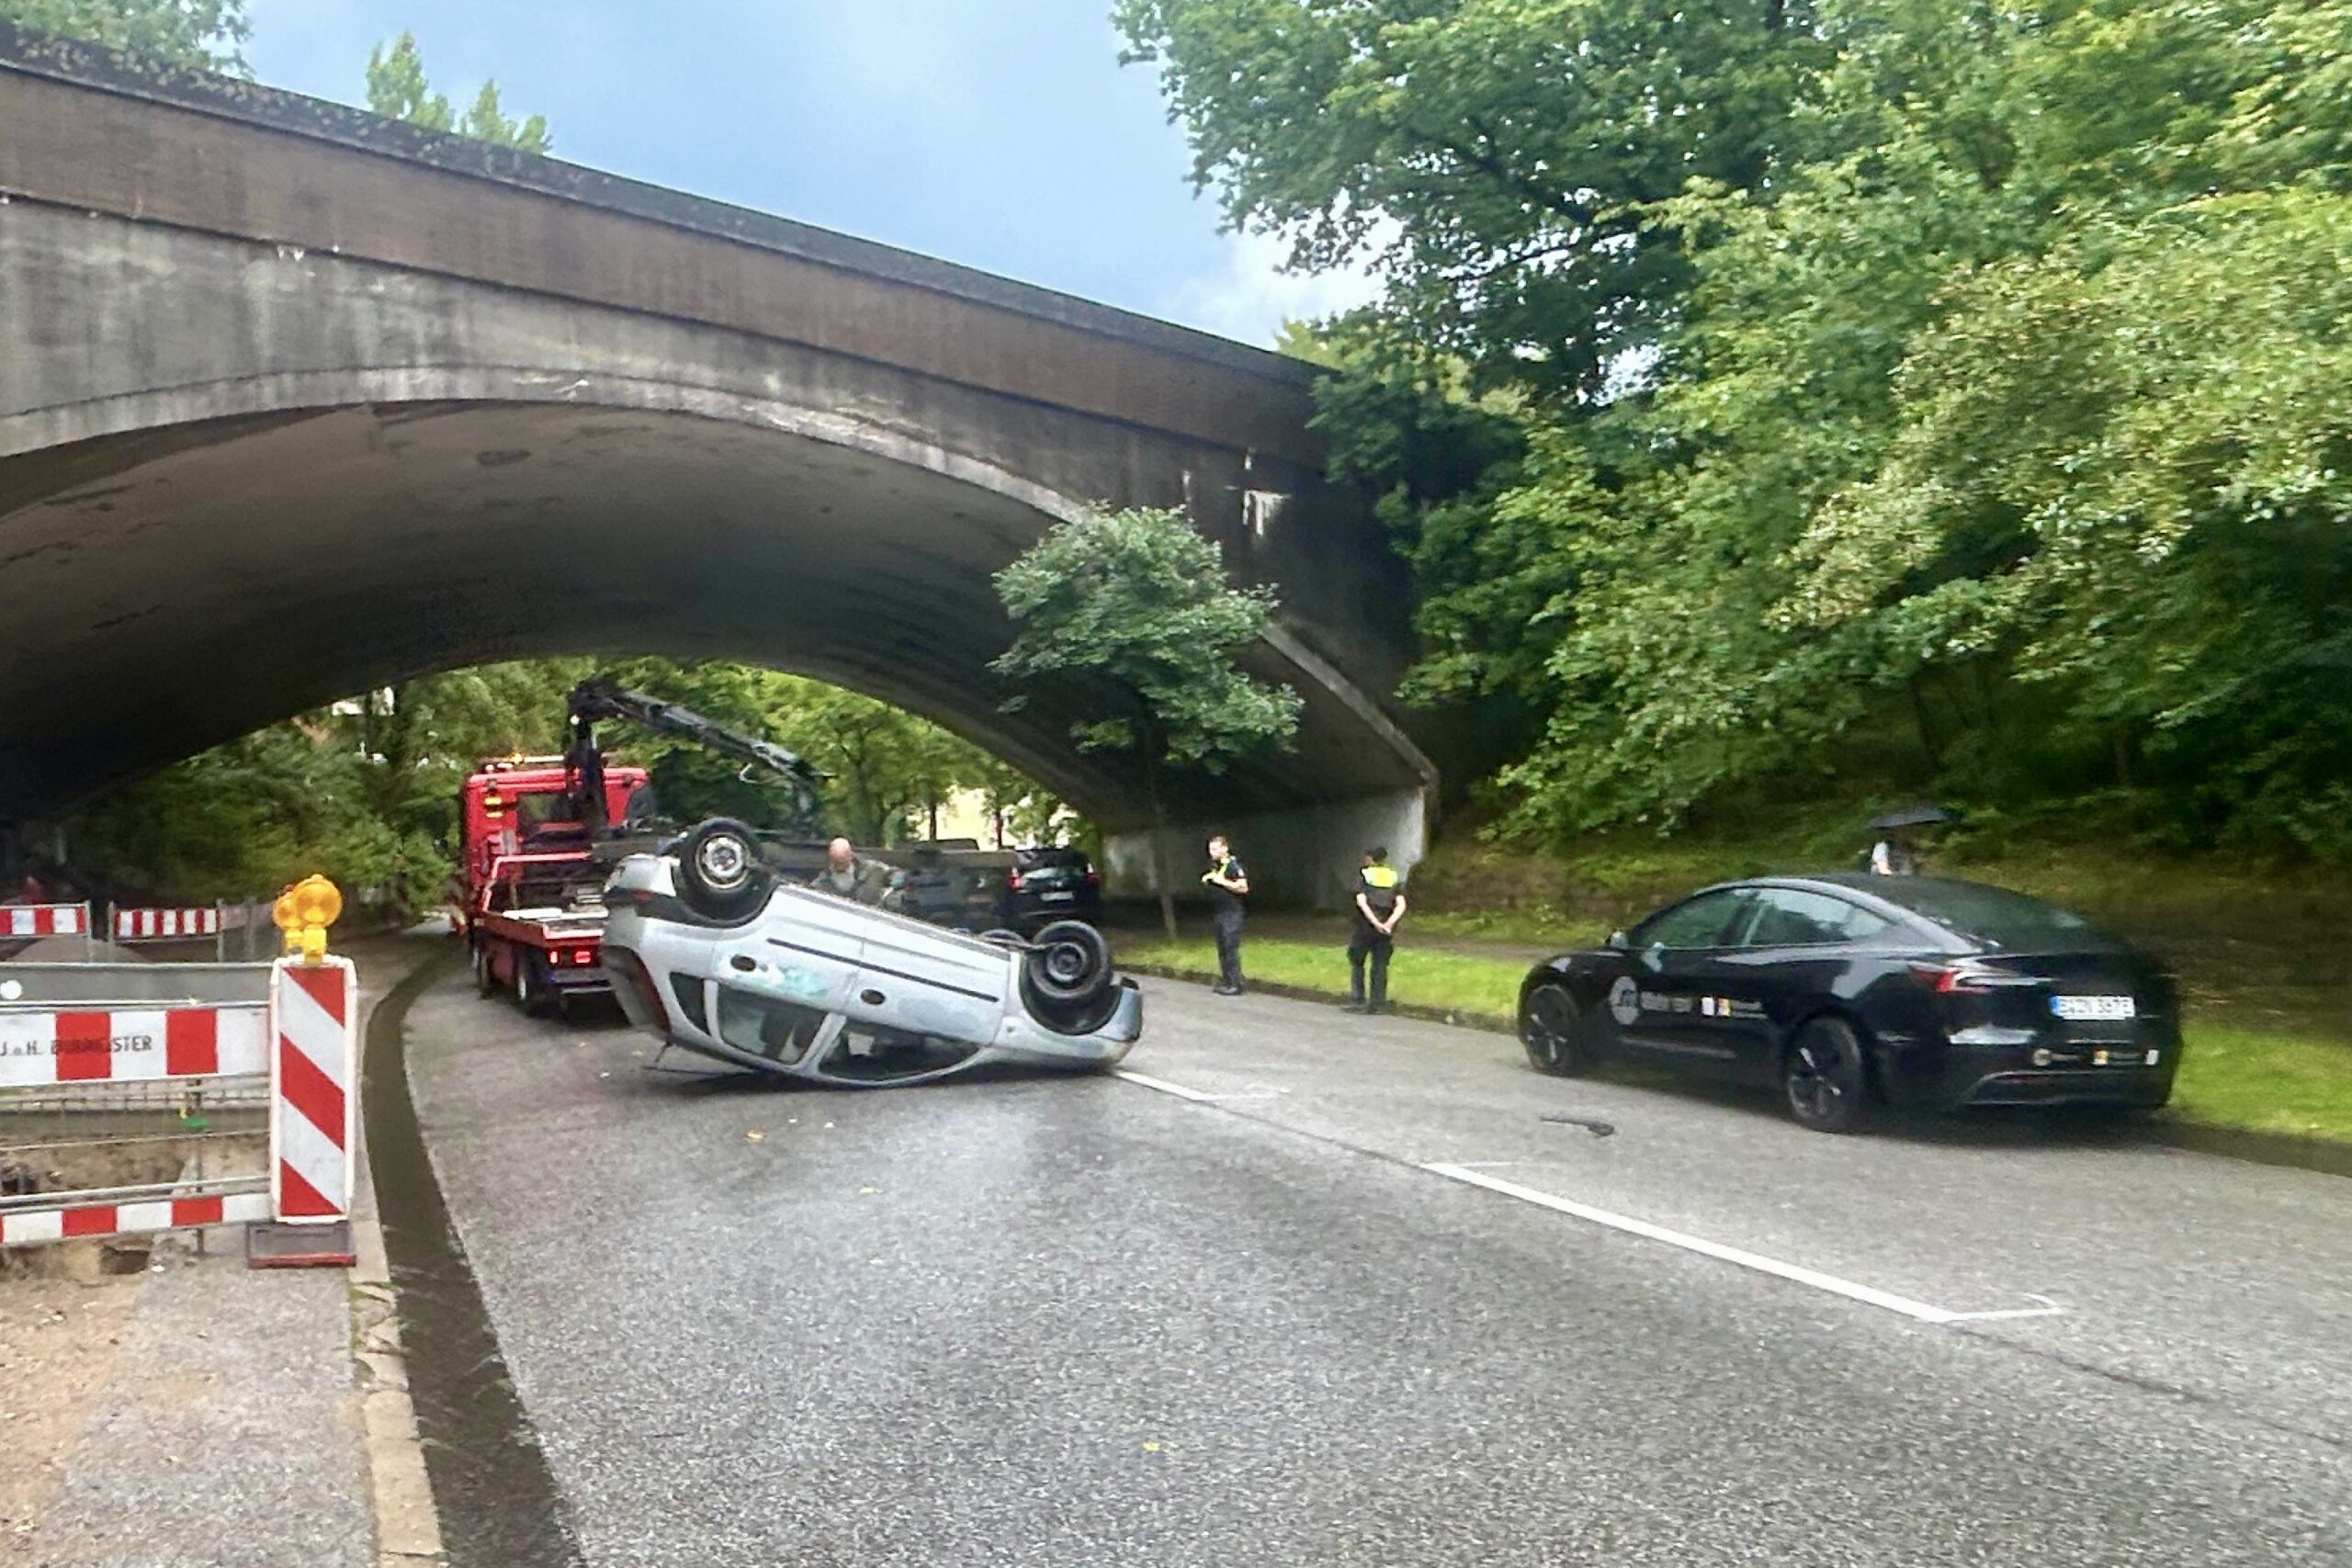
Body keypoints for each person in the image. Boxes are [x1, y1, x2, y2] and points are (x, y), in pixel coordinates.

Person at [1343, 847, 1406, 1014]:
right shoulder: (1393, 876)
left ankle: (1358, 1000)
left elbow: (1362, 902)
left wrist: (1375, 922)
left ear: (1370, 859)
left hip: (1364, 927)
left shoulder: (1364, 875)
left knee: (1357, 961)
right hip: (1386, 929)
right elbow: (1401, 904)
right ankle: (1378, 1003)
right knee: (1380, 965)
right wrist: (1388, 924)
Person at [1201, 834, 1249, 996]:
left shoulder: (1233, 865)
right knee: (1222, 948)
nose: (1211, 852)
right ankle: (1228, 981)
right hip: (1220, 912)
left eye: (1215, 849)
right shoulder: (1217, 866)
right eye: (1210, 849)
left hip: (1232, 913)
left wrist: (1222, 882)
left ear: (1225, 848)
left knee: (1230, 947)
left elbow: (1243, 887)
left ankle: (1235, 985)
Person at [808, 837, 894, 907]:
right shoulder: (822, 883)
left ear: (851, 855)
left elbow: (894, 875)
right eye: (836, 862)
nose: (840, 866)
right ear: (830, 857)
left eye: (843, 862)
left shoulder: (874, 870)